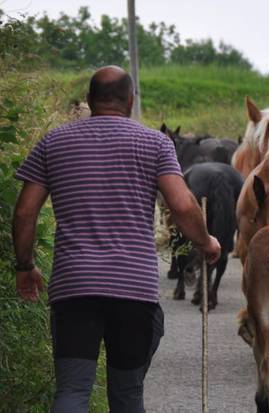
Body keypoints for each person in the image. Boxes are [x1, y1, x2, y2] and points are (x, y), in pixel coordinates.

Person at [12, 65, 221, 412]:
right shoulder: (156, 142)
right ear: (131, 100)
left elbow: (23, 213)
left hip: (74, 286)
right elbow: (183, 205)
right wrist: (205, 241)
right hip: (133, 290)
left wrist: (25, 266)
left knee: (73, 391)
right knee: (127, 394)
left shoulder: (54, 142)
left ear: (90, 100)